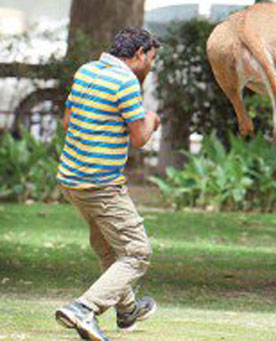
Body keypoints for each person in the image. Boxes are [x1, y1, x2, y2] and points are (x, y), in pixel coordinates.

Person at [54, 27, 161, 341]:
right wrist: (152, 119)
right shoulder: (125, 81)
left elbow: (67, 122)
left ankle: (126, 310)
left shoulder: (86, 71)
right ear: (139, 53)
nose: (151, 65)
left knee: (108, 249)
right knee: (137, 252)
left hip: (71, 179)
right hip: (100, 183)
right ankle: (84, 308)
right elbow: (141, 139)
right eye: (152, 59)